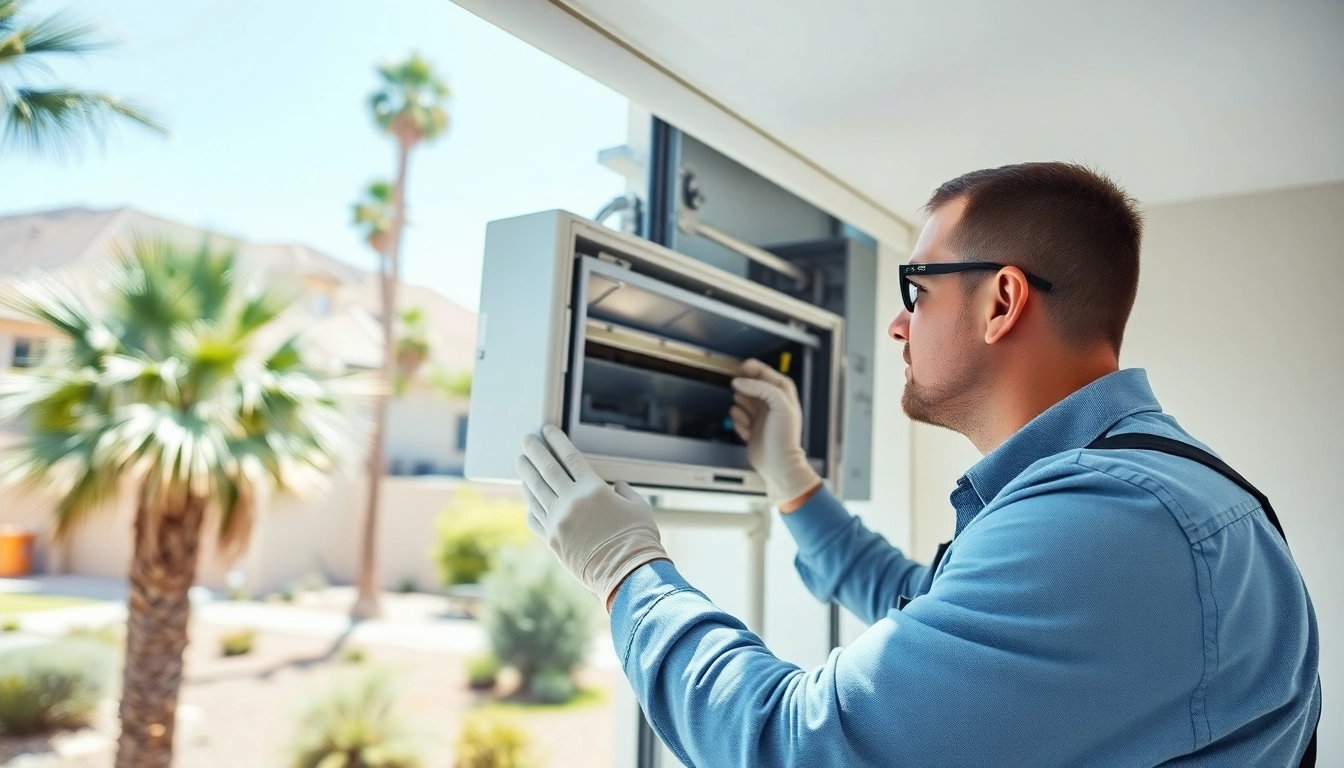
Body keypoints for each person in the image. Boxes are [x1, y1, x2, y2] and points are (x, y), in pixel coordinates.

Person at [515, 162, 1320, 767]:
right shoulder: (1130, 492)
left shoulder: (1118, 524)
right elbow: (932, 612)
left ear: (1002, 301)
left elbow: (797, 746)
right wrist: (796, 487)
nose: (898, 328)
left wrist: (628, 574)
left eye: (917, 289)